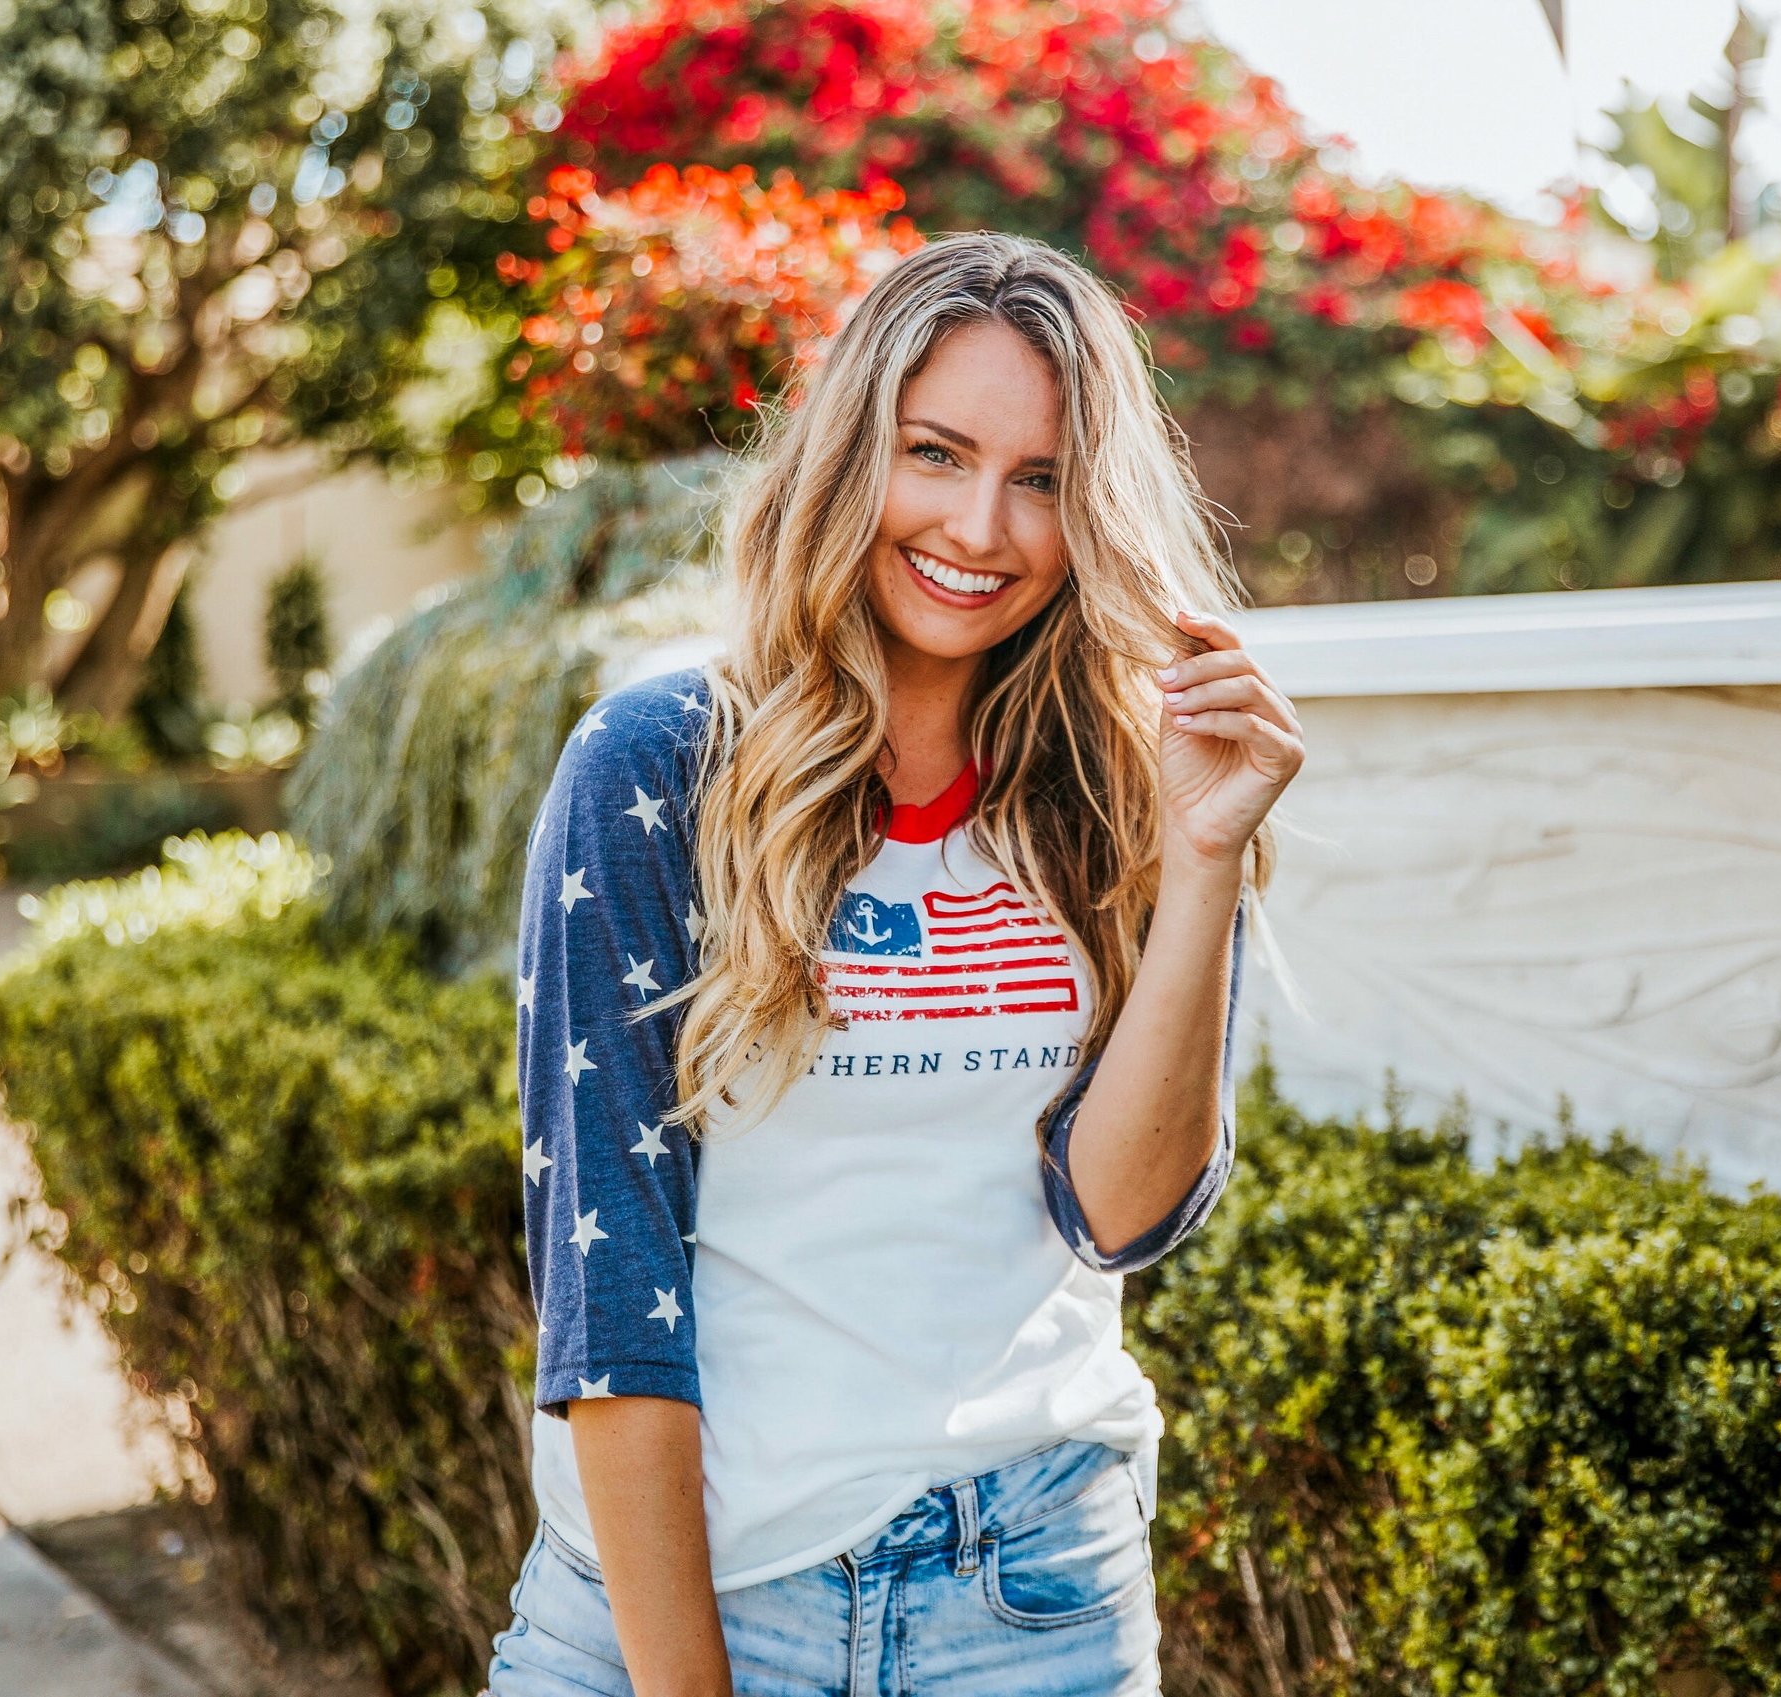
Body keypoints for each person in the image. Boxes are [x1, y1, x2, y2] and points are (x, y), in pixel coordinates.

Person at [488, 230, 1304, 1696]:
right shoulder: (663, 764)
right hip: (697, 1604)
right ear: (852, 450)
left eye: (1042, 477)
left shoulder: (1123, 783)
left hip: (1032, 1597)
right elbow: (608, 1296)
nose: (981, 526)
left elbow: (1117, 1214)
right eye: (936, 452)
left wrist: (1204, 863)